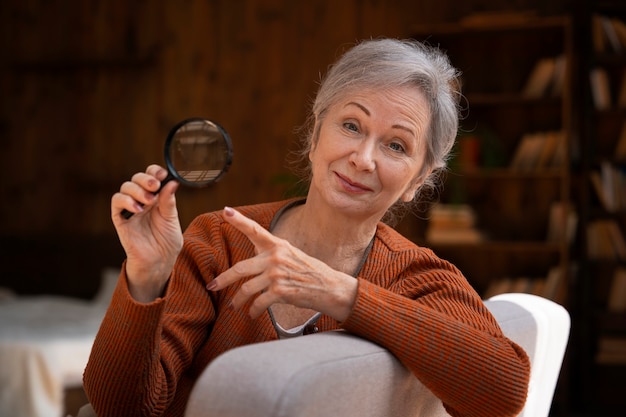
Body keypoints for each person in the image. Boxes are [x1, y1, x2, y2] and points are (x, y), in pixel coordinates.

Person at [83, 38, 530, 417]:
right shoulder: (218, 239)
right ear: (316, 136)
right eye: (351, 125)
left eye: (396, 145)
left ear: (417, 181)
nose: (363, 158)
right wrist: (146, 275)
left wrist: (339, 293)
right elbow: (123, 409)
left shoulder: (418, 277)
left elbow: (505, 390)